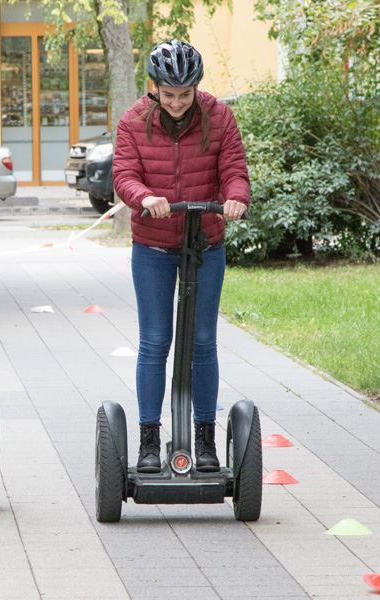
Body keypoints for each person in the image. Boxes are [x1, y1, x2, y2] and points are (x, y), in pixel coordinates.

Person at [112, 40, 250, 473]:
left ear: (196, 89)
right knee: (155, 341)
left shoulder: (219, 116)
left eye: (184, 95)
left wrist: (235, 198)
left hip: (205, 244)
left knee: (203, 342)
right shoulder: (133, 121)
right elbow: (124, 174)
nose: (175, 103)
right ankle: (149, 440)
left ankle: (206, 439)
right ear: (154, 88)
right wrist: (144, 196)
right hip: (153, 245)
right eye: (167, 94)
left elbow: (233, 168)